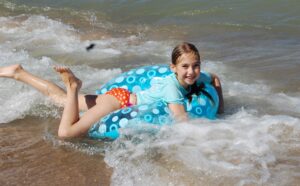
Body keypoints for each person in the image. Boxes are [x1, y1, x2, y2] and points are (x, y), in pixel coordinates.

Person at [0, 42, 224, 138]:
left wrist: (221, 107)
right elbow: (182, 121)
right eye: (185, 67)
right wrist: (217, 129)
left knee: (59, 100)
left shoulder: (198, 77)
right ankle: (74, 85)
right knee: (66, 134)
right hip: (118, 103)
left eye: (196, 66)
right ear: (173, 68)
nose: (191, 72)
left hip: (120, 96)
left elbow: (215, 78)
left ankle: (18, 73)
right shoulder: (171, 88)